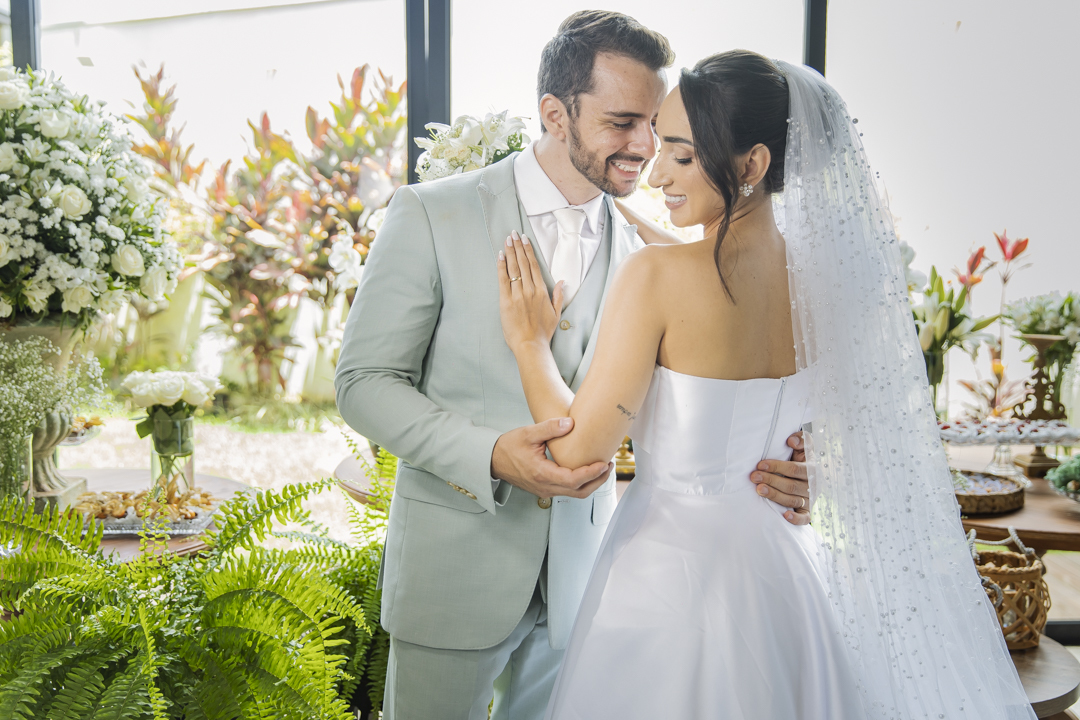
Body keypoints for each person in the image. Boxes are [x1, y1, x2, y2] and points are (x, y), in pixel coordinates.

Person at [496, 50, 1035, 719]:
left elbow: (578, 454)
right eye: (661, 146)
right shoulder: (830, 284)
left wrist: (528, 344)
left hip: (670, 575)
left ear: (752, 165)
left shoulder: (656, 280)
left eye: (683, 157)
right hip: (784, 568)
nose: (656, 170)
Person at [334, 13, 812, 720]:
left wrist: (797, 456)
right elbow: (362, 385)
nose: (647, 149)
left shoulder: (659, 252)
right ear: (556, 115)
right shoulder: (432, 214)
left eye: (656, 124)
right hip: (455, 578)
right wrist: (490, 453)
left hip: (592, 589)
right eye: (623, 123)